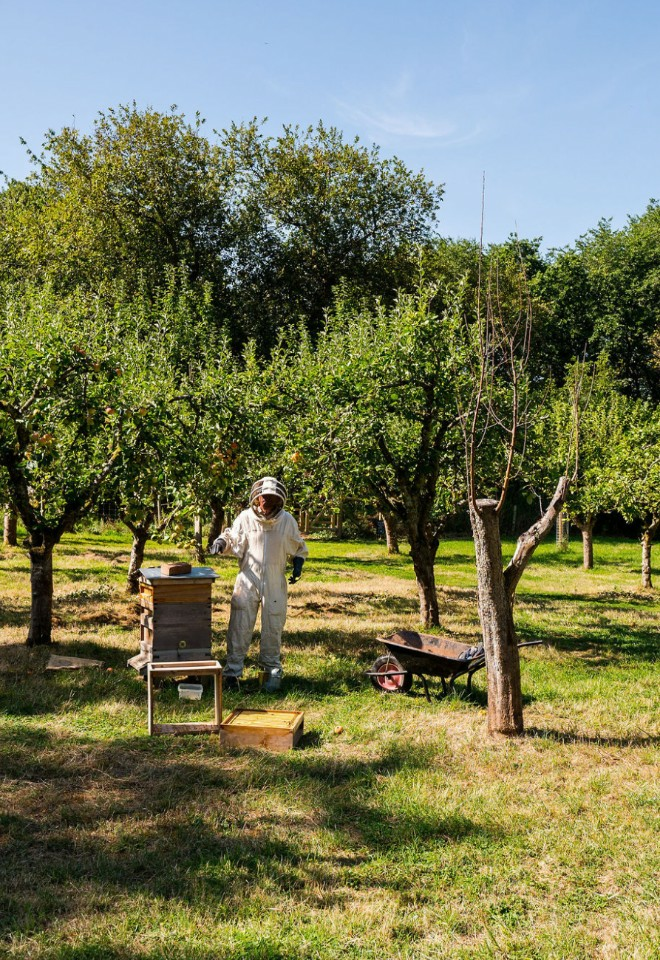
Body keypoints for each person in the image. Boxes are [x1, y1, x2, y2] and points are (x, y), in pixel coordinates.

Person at [209, 477, 308, 692]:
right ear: (257, 497)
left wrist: (298, 565)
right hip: (247, 578)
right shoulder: (245, 518)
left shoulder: (287, 520)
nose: (266, 502)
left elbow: (298, 547)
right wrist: (221, 542)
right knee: (240, 625)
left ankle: (271, 672)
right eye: (264, 497)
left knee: (273, 625)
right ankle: (232, 674)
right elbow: (233, 538)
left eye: (271, 498)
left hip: (275, 580)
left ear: (279, 500)